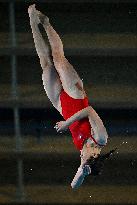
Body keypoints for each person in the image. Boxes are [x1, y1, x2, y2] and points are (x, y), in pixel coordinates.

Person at [28, 4, 114, 189]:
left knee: (45, 64)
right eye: (86, 157)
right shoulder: (100, 138)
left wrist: (83, 168)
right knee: (58, 57)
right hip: (76, 96)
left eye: (83, 159)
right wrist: (66, 124)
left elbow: (73, 186)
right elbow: (89, 111)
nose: (82, 155)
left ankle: (32, 21)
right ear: (96, 154)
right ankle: (46, 23)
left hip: (62, 105)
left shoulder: (86, 157)